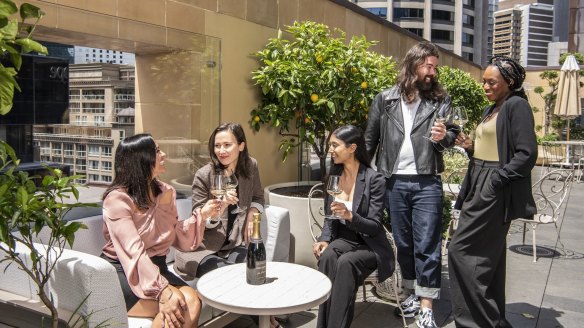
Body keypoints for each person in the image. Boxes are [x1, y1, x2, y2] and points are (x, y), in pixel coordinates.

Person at [365, 41, 458, 328]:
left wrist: (446, 137)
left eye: (435, 67)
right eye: (428, 65)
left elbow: (454, 133)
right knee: (404, 243)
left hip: (427, 181)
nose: (432, 71)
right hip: (393, 182)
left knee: (427, 243)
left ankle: (427, 306)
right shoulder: (386, 99)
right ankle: (410, 294)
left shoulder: (440, 99)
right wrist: (359, 176)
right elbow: (370, 139)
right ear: (413, 64)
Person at [448, 56, 537, 328]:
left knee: (460, 251)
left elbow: (527, 153)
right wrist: (470, 146)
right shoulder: (493, 108)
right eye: (484, 81)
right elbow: (488, 147)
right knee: (489, 257)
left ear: (509, 82)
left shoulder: (516, 106)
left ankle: (475, 322)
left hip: (493, 184)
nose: (485, 86)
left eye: (492, 82)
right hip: (480, 179)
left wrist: (498, 179)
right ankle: (493, 321)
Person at [101, 133, 216, 328]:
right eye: (156, 151)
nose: (163, 155)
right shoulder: (117, 200)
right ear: (141, 159)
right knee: (181, 305)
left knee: (193, 300)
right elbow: (133, 252)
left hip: (157, 267)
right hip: (125, 271)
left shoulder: (166, 192)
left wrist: (202, 216)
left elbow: (176, 235)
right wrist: (163, 291)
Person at [313, 125, 394, 328]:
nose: (330, 149)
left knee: (347, 262)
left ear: (352, 148)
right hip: (344, 240)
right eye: (330, 145)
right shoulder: (334, 177)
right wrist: (324, 239)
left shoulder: (374, 180)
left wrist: (350, 216)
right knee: (329, 255)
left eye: (335, 145)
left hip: (370, 245)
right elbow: (329, 218)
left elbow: (374, 227)